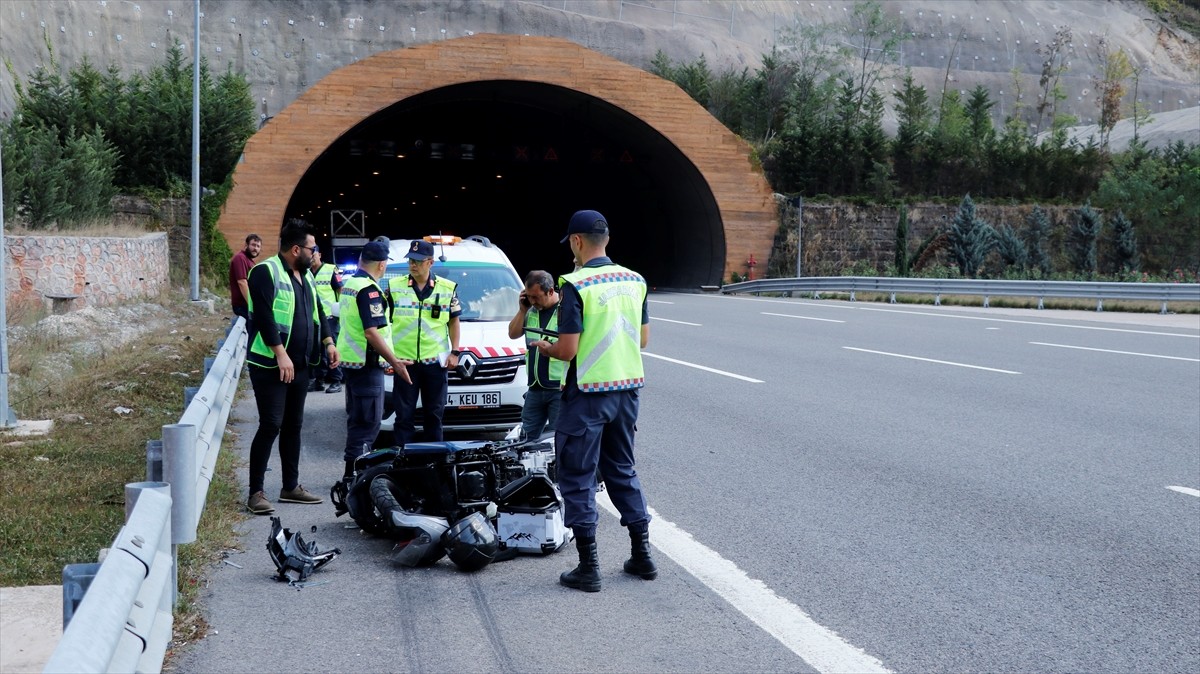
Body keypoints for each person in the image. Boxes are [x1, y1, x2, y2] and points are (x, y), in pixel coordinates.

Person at [530, 210, 656, 592]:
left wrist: (545, 346)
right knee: (622, 469)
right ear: (607, 240)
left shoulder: (576, 284)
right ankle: (642, 554)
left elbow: (568, 350)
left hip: (587, 395)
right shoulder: (635, 280)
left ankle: (589, 567)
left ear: (576, 242)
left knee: (578, 476)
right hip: (627, 391)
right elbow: (643, 340)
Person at [244, 220, 337, 514]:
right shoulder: (265, 272)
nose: (315, 253)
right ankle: (256, 492)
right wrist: (280, 354)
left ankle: (290, 487)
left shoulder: (305, 275)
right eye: (312, 248)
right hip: (271, 365)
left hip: (301, 365)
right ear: (296, 249)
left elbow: (318, 310)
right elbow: (263, 317)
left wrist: (329, 341)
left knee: (294, 426)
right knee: (271, 424)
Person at [336, 241, 412, 482]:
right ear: (382, 264)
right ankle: (354, 478)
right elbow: (372, 332)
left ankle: (352, 475)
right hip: (367, 366)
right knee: (367, 425)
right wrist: (395, 361)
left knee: (357, 421)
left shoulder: (351, 284)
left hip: (352, 363)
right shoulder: (369, 290)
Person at [388, 239, 462, 446]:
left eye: (418, 261)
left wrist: (455, 352)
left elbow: (454, 322)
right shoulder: (394, 287)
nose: (413, 265)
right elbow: (384, 325)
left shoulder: (447, 289)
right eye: (411, 260)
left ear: (430, 262)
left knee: (434, 416)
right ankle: (403, 462)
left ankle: (434, 464)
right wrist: (389, 358)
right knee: (403, 417)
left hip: (435, 364)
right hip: (405, 363)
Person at [507, 270, 564, 441]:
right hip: (535, 388)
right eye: (529, 296)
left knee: (559, 438)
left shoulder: (564, 311)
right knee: (526, 439)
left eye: (537, 297)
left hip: (558, 388)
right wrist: (522, 310)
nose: (533, 301)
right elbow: (513, 333)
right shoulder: (530, 311)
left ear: (551, 291)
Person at [309, 247, 345, 394]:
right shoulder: (306, 272)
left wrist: (341, 311)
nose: (311, 257)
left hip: (330, 316)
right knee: (316, 351)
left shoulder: (331, 269)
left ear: (320, 254)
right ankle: (319, 381)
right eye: (309, 254)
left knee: (330, 349)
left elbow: (340, 290)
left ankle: (336, 380)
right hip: (313, 317)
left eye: (314, 254)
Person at [229, 233, 261, 322]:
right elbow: (242, 282)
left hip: (247, 306)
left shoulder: (250, 261)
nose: (256, 248)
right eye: (253, 245)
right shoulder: (240, 258)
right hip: (243, 306)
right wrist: (252, 306)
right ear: (246, 245)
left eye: (258, 246)